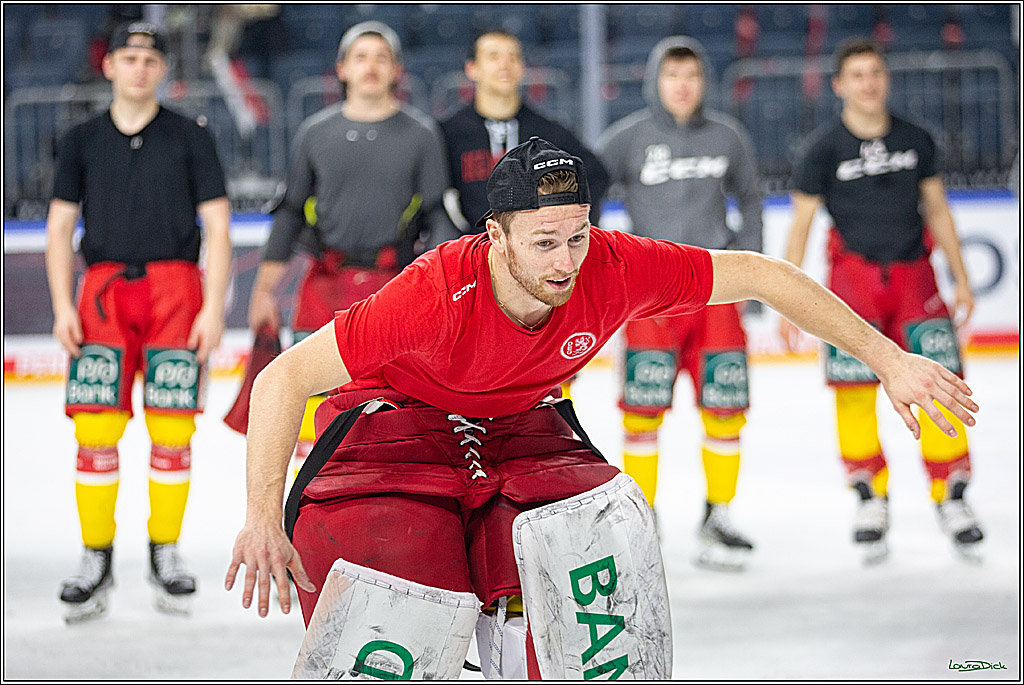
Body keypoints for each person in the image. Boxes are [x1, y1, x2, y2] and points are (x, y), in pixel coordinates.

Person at [224, 137, 978, 679]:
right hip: (398, 420)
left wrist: (888, 357)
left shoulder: (613, 266)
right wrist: (261, 515)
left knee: (581, 572)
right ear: (496, 236)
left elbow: (759, 273)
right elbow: (281, 379)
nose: (565, 262)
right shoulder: (434, 293)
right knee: (407, 601)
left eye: (577, 237)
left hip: (519, 424)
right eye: (544, 242)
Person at [45, 21, 231, 622]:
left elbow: (219, 226)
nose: (139, 68)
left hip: (177, 291)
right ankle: (95, 556)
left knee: (173, 428)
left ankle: (164, 552)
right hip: (102, 293)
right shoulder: (80, 139)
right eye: (128, 57)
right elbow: (58, 227)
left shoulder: (191, 136)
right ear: (109, 66)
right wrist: (61, 305)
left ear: (162, 69)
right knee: (95, 427)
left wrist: (213, 308)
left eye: (150, 59)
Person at [780, 38, 983, 562]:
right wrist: (787, 302)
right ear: (838, 85)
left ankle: (952, 494)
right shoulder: (821, 149)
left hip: (917, 280)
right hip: (851, 286)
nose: (868, 83)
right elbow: (800, 226)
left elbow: (938, 210)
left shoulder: (916, 139)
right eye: (857, 75)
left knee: (939, 382)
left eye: (875, 72)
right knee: (852, 391)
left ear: (886, 79)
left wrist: (961, 278)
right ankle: (870, 497)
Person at [245, 21, 452, 473]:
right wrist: (263, 291)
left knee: (392, 401)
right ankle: (309, 495)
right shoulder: (314, 133)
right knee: (310, 394)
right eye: (360, 57)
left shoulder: (421, 134)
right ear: (341, 68)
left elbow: (437, 215)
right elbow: (290, 213)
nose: (370, 66)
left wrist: (440, 291)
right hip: (324, 286)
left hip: (394, 288)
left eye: (381, 57)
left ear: (397, 69)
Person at [597, 37, 764, 570]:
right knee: (642, 411)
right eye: (672, 76)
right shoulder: (627, 138)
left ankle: (719, 515)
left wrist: (753, 273)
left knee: (725, 407)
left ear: (704, 82)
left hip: (718, 291)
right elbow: (587, 190)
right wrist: (595, 261)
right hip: (651, 298)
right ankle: (643, 516)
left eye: (691, 76)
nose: (683, 86)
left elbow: (752, 198)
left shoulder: (727, 136)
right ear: (656, 81)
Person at [439, 29, 609, 236]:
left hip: (536, 250)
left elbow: (596, 176)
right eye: (493, 56)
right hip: (470, 248)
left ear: (522, 68)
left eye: (513, 57)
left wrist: (566, 229)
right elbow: (432, 199)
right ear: (471, 68)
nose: (505, 65)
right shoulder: (447, 134)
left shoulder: (549, 133)